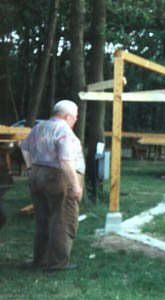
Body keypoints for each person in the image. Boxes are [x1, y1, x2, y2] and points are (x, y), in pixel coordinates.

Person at [20, 100, 85, 271]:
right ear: (67, 116)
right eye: (75, 116)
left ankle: (39, 259)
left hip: (37, 175)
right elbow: (65, 159)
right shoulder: (63, 130)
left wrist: (29, 168)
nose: (76, 120)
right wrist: (75, 185)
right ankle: (57, 263)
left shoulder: (38, 127)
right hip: (58, 178)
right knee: (63, 219)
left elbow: (24, 147)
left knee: (43, 219)